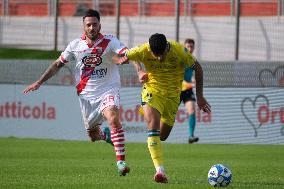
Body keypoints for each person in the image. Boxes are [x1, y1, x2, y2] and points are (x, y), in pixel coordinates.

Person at [22, 9, 130, 176]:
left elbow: (125, 53)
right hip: (86, 96)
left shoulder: (110, 41)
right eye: (89, 25)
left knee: (114, 118)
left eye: (95, 24)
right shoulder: (75, 46)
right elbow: (58, 64)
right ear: (84, 27)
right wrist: (39, 81)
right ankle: (106, 136)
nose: (92, 28)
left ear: (100, 24)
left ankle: (121, 162)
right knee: (93, 136)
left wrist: (127, 60)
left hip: (108, 89)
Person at [118, 33, 211, 183]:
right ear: (151, 50)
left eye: (162, 54)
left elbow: (198, 69)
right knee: (152, 127)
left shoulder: (179, 51)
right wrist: (139, 70)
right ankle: (160, 171)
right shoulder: (143, 49)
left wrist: (199, 97)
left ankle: (156, 143)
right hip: (152, 91)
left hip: (173, 97)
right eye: (156, 55)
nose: (159, 58)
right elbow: (126, 55)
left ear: (167, 47)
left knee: (162, 136)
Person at [180, 38, 199, 143]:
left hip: (187, 90)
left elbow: (190, 76)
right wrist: (191, 83)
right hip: (177, 89)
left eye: (192, 46)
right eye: (188, 46)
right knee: (168, 115)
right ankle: (156, 133)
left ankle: (191, 136)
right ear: (184, 47)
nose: (190, 48)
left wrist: (193, 80)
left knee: (192, 110)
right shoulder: (180, 59)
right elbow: (177, 77)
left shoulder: (193, 60)